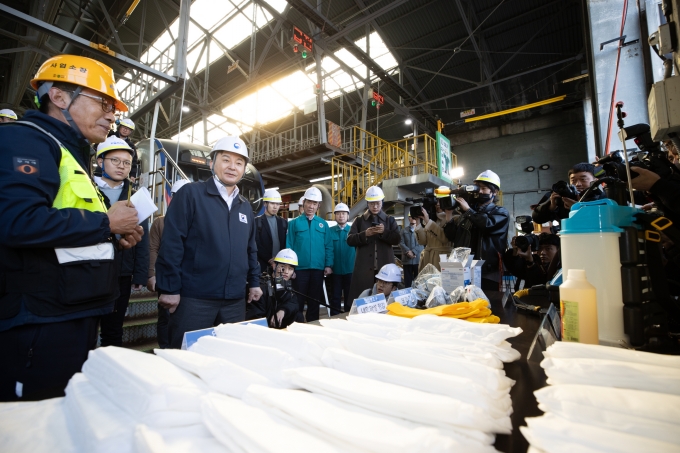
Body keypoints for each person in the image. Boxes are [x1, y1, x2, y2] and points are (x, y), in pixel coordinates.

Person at [0, 54, 142, 401]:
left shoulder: (71, 154)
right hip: (37, 321)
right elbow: (15, 221)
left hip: (70, 311)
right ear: (60, 97)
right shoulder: (26, 141)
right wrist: (106, 222)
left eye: (113, 106)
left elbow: (70, 227)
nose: (112, 114)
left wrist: (112, 236)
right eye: (103, 102)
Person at [156, 136, 262, 349]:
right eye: (226, 160)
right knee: (185, 356)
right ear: (212, 163)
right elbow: (172, 243)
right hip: (195, 299)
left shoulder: (245, 207)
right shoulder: (191, 194)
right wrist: (169, 288)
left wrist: (255, 282)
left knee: (230, 356)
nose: (232, 167)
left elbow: (250, 249)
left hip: (234, 301)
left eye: (239, 163)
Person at [94, 137, 150, 347]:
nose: (121, 167)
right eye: (115, 160)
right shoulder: (88, 191)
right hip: (91, 268)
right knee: (85, 329)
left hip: (122, 272)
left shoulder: (135, 197)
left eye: (126, 163)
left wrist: (140, 273)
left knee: (113, 329)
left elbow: (142, 238)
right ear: (101, 162)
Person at [443, 170, 509, 291]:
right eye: (478, 188)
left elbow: (486, 225)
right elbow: (452, 236)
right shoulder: (468, 213)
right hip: (464, 268)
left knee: (487, 303)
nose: (479, 191)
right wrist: (448, 215)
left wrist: (468, 210)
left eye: (484, 188)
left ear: (495, 192)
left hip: (487, 270)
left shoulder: (500, 212)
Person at [147, 178, 190, 348]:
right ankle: (165, 350)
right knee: (165, 317)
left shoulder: (197, 221)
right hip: (167, 277)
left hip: (189, 278)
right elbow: (152, 249)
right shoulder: (160, 222)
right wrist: (152, 274)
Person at [286, 186, 333, 322]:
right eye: (309, 202)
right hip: (299, 269)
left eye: (314, 203)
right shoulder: (294, 224)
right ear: (304, 203)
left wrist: (328, 264)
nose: (311, 206)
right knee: (298, 300)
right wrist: (290, 268)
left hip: (318, 269)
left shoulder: (323, 224)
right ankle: (296, 324)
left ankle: (313, 324)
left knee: (315, 300)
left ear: (318, 206)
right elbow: (289, 246)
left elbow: (328, 246)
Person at [347, 186, 401, 303]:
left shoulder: (389, 220)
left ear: (382, 202)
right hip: (364, 269)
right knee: (363, 297)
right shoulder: (359, 220)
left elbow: (397, 239)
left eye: (377, 203)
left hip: (385, 269)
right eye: (372, 204)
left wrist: (384, 232)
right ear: (367, 203)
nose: (375, 206)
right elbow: (350, 240)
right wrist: (364, 234)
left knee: (386, 300)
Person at [532, 163, 606, 224]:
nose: (577, 184)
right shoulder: (566, 198)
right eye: (573, 180)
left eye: (583, 179)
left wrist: (578, 208)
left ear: (596, 180)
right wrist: (551, 207)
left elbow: (603, 221)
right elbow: (537, 219)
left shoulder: (604, 198)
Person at [246, 248, 303, 328]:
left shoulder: (283, 283)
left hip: (278, 327)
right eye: (282, 267)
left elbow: (293, 303)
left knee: (298, 315)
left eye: (290, 269)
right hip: (262, 331)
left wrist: (283, 310)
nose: (286, 272)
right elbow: (255, 316)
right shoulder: (262, 286)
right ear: (274, 266)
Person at [415, 187, 454, 272]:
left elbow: (445, 239)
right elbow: (422, 241)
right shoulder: (431, 218)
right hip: (428, 259)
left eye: (442, 200)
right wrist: (418, 222)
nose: (438, 203)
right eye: (437, 200)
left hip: (443, 260)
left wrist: (428, 221)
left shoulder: (454, 218)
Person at [329, 202, 355, 315]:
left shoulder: (353, 231)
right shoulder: (329, 231)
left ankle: (349, 318)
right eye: (338, 213)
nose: (341, 216)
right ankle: (334, 319)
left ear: (348, 215)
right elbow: (327, 249)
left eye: (344, 213)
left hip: (351, 270)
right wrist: (328, 265)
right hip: (335, 271)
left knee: (350, 297)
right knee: (335, 297)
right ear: (335, 216)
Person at [255, 188, 288, 274]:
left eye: (277, 204)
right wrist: (269, 259)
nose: (275, 207)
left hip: (280, 264)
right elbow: (256, 243)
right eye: (272, 203)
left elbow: (285, 243)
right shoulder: (257, 222)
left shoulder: (283, 222)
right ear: (265, 203)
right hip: (262, 265)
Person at [108, 118, 139, 182]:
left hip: (120, 171)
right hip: (106, 167)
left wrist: (132, 175)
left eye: (128, 129)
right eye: (124, 127)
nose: (125, 130)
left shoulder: (131, 145)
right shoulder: (109, 136)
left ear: (130, 132)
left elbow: (133, 161)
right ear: (119, 127)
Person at [399, 216, 424, 287]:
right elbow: (400, 242)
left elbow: (423, 243)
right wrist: (407, 251)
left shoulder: (421, 230)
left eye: (414, 217)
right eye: (411, 217)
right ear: (408, 218)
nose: (413, 218)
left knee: (418, 280)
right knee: (407, 281)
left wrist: (413, 252)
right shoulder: (403, 231)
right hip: (407, 260)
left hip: (418, 260)